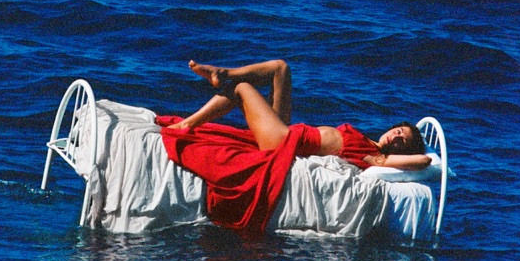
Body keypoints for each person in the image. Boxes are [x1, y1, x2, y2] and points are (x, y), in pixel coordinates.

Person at [168, 59, 431, 171]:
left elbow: (424, 161)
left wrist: (421, 156)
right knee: (280, 68)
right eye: (399, 131)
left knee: (243, 89)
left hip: (282, 142)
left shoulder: (376, 157)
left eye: (402, 141)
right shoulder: (367, 141)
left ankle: (187, 125)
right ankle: (223, 72)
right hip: (288, 132)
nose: (396, 136)